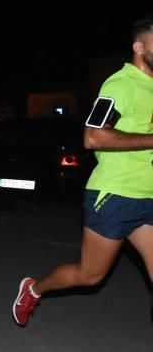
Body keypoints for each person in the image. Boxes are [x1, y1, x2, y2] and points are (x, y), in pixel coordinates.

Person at [13, 17, 153, 327]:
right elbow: (93, 136)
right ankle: (33, 289)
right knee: (90, 275)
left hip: (149, 196)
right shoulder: (122, 85)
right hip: (115, 195)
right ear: (139, 46)